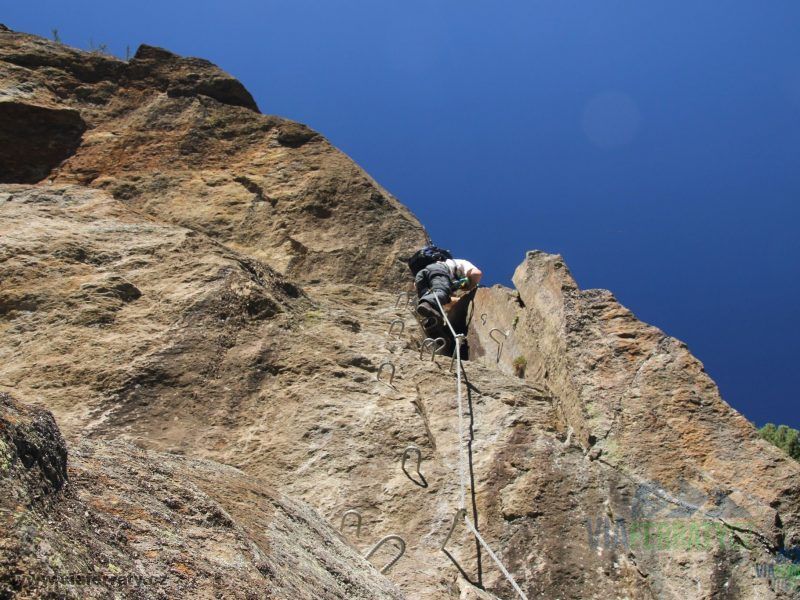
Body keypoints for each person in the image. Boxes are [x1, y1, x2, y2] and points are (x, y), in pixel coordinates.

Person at [415, 256, 482, 328]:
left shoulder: (453, 279)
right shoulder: (463, 264)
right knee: (441, 293)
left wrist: (460, 300)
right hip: (439, 270)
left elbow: (447, 301)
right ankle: (427, 304)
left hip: (422, 275)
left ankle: (433, 322)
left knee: (437, 303)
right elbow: (477, 273)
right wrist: (469, 287)